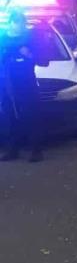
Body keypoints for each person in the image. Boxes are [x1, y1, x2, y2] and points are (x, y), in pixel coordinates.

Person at [1, 10, 48, 162]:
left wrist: (28, 54)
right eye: (16, 23)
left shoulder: (31, 38)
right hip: (7, 84)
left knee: (31, 116)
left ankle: (36, 151)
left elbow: (43, 61)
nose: (19, 27)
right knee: (10, 118)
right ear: (10, 24)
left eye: (22, 24)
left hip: (26, 83)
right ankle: (13, 150)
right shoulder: (3, 38)